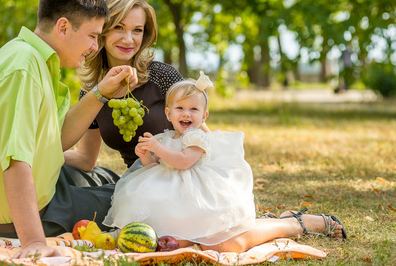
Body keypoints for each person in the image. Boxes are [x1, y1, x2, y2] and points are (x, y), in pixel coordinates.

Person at [0, 0, 138, 259]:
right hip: (18, 215)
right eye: (92, 36)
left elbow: (56, 138)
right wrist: (34, 242)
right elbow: (15, 162)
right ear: (63, 27)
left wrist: (101, 93)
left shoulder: (26, 55)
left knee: (104, 176)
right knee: (134, 193)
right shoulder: (23, 70)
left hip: (8, 197)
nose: (94, 46)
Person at [103, 72, 347, 253]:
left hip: (195, 194)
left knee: (220, 242)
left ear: (204, 116)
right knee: (171, 236)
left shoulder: (197, 138)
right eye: (179, 108)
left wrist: (157, 148)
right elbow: (153, 167)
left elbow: (184, 162)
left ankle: (294, 223)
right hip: (167, 194)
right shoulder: (165, 137)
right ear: (168, 114)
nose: (186, 114)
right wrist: (146, 154)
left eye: (193, 109)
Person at [63, 0, 187, 173]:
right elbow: (85, 159)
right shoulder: (92, 92)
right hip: (137, 184)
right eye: (119, 27)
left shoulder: (163, 76)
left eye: (137, 30)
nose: (128, 40)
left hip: (180, 175)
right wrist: (36, 155)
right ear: (101, 30)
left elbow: (202, 135)